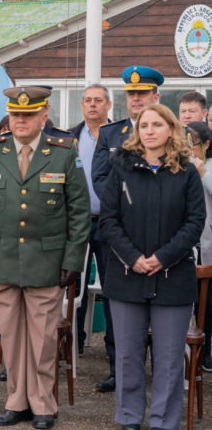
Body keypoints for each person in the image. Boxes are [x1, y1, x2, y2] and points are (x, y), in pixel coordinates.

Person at [0, 86, 90, 429]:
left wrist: (72, 261)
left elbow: (79, 214)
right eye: (16, 115)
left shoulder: (63, 153)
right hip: (1, 261)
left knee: (43, 338)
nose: (21, 121)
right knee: (11, 336)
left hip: (47, 263)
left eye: (29, 115)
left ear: (43, 116)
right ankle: (17, 401)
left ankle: (43, 405)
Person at [99, 104, 204, 430]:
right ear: (137, 131)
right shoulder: (121, 169)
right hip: (127, 275)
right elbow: (109, 220)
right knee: (128, 356)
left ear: (171, 129)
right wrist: (133, 257)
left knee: (170, 359)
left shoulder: (186, 172)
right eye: (144, 125)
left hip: (173, 277)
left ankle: (163, 421)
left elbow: (194, 222)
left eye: (157, 124)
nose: (149, 130)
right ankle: (129, 418)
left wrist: (162, 257)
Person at [91, 65, 163, 394]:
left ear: (155, 96)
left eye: (143, 93)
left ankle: (160, 371)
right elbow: (101, 180)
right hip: (117, 236)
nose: (136, 99)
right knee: (115, 301)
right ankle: (118, 370)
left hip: (160, 237)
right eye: (132, 94)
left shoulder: (169, 131)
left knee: (162, 306)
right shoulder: (111, 134)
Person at [67, 84, 112, 359]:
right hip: (76, 222)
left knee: (112, 286)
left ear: (108, 104)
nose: (92, 105)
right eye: (87, 100)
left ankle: (113, 349)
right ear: (81, 106)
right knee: (73, 283)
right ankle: (73, 345)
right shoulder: (70, 136)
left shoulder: (121, 135)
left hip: (110, 223)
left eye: (98, 100)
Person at [187, 120, 212, 373]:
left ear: (205, 144)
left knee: (209, 301)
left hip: (208, 244)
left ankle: (207, 352)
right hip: (188, 245)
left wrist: (202, 170)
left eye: (191, 143)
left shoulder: (207, 167)